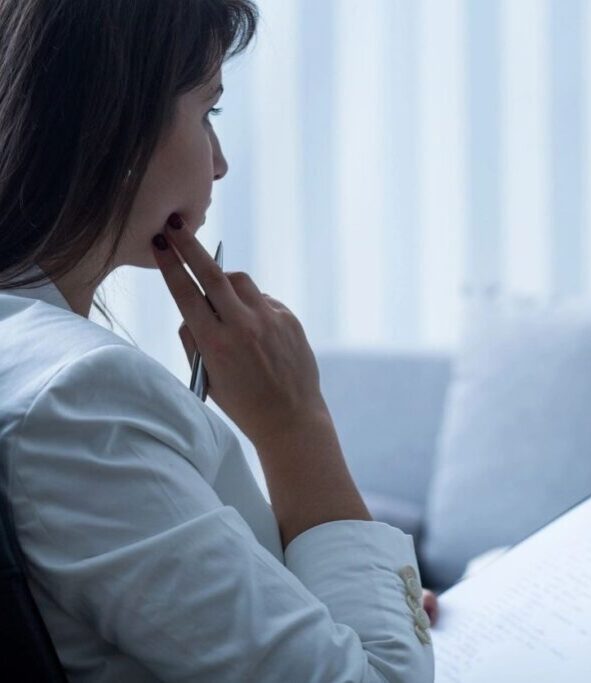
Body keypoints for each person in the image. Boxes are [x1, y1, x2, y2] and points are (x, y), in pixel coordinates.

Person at [0, 1, 437, 680]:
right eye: (209, 112)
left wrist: (350, 605)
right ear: (115, 125)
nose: (222, 162)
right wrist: (297, 425)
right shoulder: (81, 398)